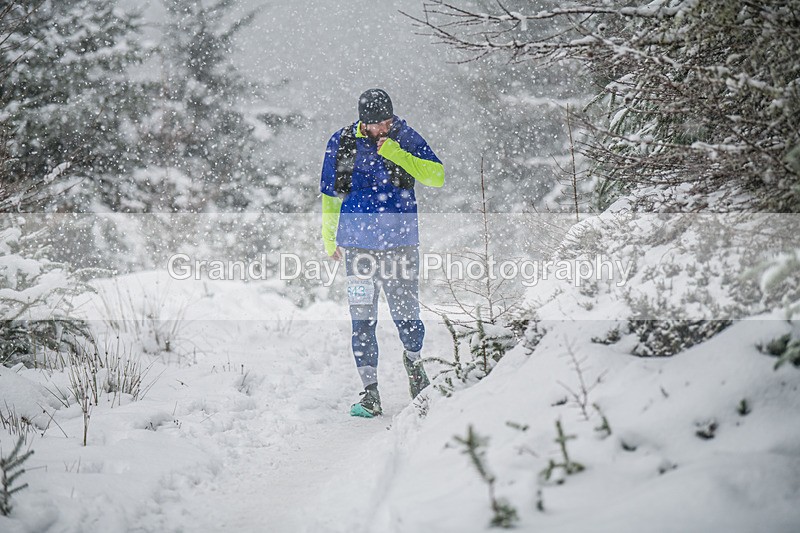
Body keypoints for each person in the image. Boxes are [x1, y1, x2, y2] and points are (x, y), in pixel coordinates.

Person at [320, 88, 445, 418]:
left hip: (401, 243)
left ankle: (415, 365)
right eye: (377, 125)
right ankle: (370, 392)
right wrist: (329, 238)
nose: (383, 129)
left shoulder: (403, 136)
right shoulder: (343, 142)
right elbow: (331, 194)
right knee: (361, 318)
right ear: (364, 123)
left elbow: (437, 176)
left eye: (387, 121)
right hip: (358, 248)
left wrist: (396, 153)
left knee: (406, 313)